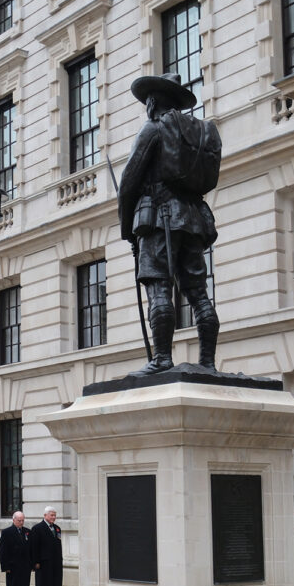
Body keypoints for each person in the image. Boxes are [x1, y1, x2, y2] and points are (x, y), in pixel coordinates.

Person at [116, 71, 220, 375]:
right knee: (199, 293)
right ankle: (208, 362)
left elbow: (128, 182)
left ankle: (162, 358)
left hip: (159, 219)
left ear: (152, 102)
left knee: (160, 289)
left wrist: (127, 229)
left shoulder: (153, 129)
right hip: (193, 220)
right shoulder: (198, 133)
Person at [29, 507, 64, 586]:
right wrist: (36, 562)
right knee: (44, 585)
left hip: (55, 562)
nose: (53, 517)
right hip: (43, 563)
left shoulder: (57, 528)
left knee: (55, 585)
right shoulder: (37, 528)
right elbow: (34, 547)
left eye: (54, 515)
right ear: (45, 516)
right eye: (51, 515)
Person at [0, 511, 32, 586]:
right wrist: (5, 566)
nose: (21, 522)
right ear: (14, 520)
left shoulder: (27, 532)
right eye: (19, 520)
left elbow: (30, 550)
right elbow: (3, 551)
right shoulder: (7, 532)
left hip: (24, 566)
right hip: (13, 566)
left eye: (23, 520)